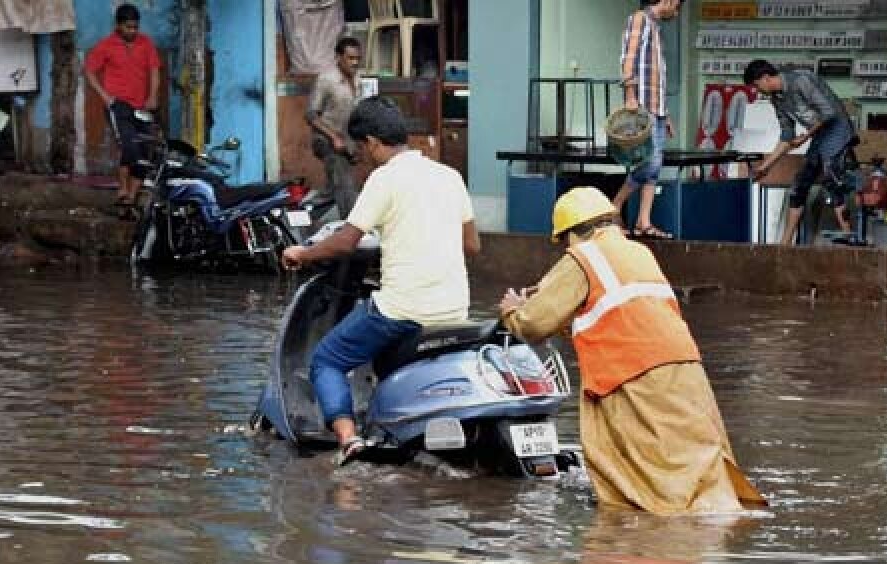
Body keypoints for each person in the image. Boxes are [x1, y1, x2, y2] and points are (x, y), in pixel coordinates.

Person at [498, 187, 766, 515]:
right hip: (686, 368)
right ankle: (719, 523)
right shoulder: (639, 252)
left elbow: (533, 325)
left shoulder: (583, 256)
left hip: (634, 374)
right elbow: (616, 315)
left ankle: (663, 539)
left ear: (572, 234)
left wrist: (512, 310)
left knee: (647, 473)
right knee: (696, 461)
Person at [282, 97, 482, 465]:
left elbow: (344, 242)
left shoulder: (384, 179)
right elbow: (471, 244)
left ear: (371, 142)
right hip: (455, 309)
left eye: (361, 148)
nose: (363, 155)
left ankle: (347, 439)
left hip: (403, 310)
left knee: (327, 358)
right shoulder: (449, 176)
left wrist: (302, 254)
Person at [744, 60, 857, 246]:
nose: (757, 91)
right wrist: (764, 167)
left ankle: (850, 240)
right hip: (820, 135)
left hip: (838, 130)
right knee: (799, 185)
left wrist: (806, 137)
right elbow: (787, 137)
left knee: (832, 178)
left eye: (756, 86)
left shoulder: (801, 80)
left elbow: (828, 112)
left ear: (765, 78)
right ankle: (785, 244)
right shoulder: (777, 100)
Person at [84, 3, 162, 216]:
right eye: (128, 27)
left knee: (145, 152)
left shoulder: (146, 43)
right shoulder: (106, 45)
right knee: (129, 147)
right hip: (118, 105)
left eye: (135, 27)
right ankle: (123, 190)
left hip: (142, 106)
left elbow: (154, 71)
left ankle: (130, 197)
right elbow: (89, 71)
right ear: (118, 26)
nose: (133, 31)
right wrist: (105, 96)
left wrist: (153, 95)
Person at [614, 0, 682, 240]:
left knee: (654, 169)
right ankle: (615, 206)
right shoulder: (640, 19)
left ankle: (644, 221)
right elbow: (627, 59)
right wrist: (630, 96)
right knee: (650, 164)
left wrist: (666, 115)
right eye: (678, 6)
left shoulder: (655, 27)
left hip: (656, 109)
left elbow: (655, 77)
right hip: (642, 108)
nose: (677, 12)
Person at [308, 37, 363, 218]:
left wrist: (356, 144)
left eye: (357, 58)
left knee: (333, 189)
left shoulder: (358, 78)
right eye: (350, 58)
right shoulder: (326, 79)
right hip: (324, 139)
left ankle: (304, 213)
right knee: (344, 182)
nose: (354, 62)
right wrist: (334, 137)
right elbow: (311, 116)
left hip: (346, 141)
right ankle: (352, 229)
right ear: (339, 57)